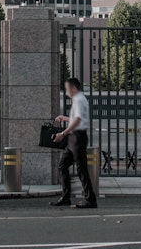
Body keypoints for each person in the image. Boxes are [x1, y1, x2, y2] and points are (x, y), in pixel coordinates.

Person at [51, 77, 98, 209]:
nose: (66, 93)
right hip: (73, 138)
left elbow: (78, 120)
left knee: (81, 169)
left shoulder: (79, 100)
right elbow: (76, 118)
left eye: (67, 89)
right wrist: (65, 118)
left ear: (74, 88)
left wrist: (63, 133)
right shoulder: (78, 99)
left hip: (78, 138)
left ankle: (91, 200)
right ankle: (66, 197)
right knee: (63, 166)